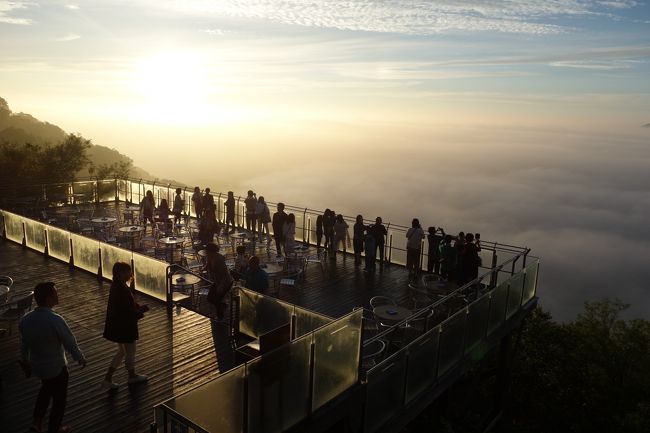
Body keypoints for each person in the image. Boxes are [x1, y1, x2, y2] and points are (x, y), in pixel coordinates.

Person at [19, 282, 86, 433]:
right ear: (49, 299)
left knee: (45, 390)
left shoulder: (25, 320)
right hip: (56, 368)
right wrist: (80, 357)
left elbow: (24, 344)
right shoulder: (55, 320)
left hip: (39, 367)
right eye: (55, 293)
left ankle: (36, 422)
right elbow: (69, 342)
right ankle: (55, 428)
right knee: (59, 400)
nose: (58, 295)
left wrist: (25, 360)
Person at [102, 262, 149, 390]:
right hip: (124, 326)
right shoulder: (121, 288)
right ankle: (132, 376)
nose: (130, 274)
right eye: (128, 272)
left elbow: (125, 306)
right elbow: (126, 310)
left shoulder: (117, 286)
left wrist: (138, 308)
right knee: (130, 351)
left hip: (117, 326)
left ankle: (108, 378)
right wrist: (139, 312)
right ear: (121, 273)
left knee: (122, 351)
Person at [204, 243, 233, 321]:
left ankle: (220, 317)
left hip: (225, 282)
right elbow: (208, 264)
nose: (205, 252)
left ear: (211, 251)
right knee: (210, 298)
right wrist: (204, 268)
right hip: (217, 281)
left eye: (206, 250)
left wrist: (221, 286)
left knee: (217, 299)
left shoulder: (219, 259)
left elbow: (224, 274)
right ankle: (223, 305)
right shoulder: (210, 257)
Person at [405, 218, 425, 283]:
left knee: (410, 260)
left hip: (410, 247)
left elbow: (407, 236)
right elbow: (423, 237)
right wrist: (421, 228)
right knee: (416, 261)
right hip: (417, 248)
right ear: (418, 224)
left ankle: (410, 272)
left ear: (412, 224)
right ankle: (416, 273)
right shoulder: (420, 230)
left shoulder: (410, 229)